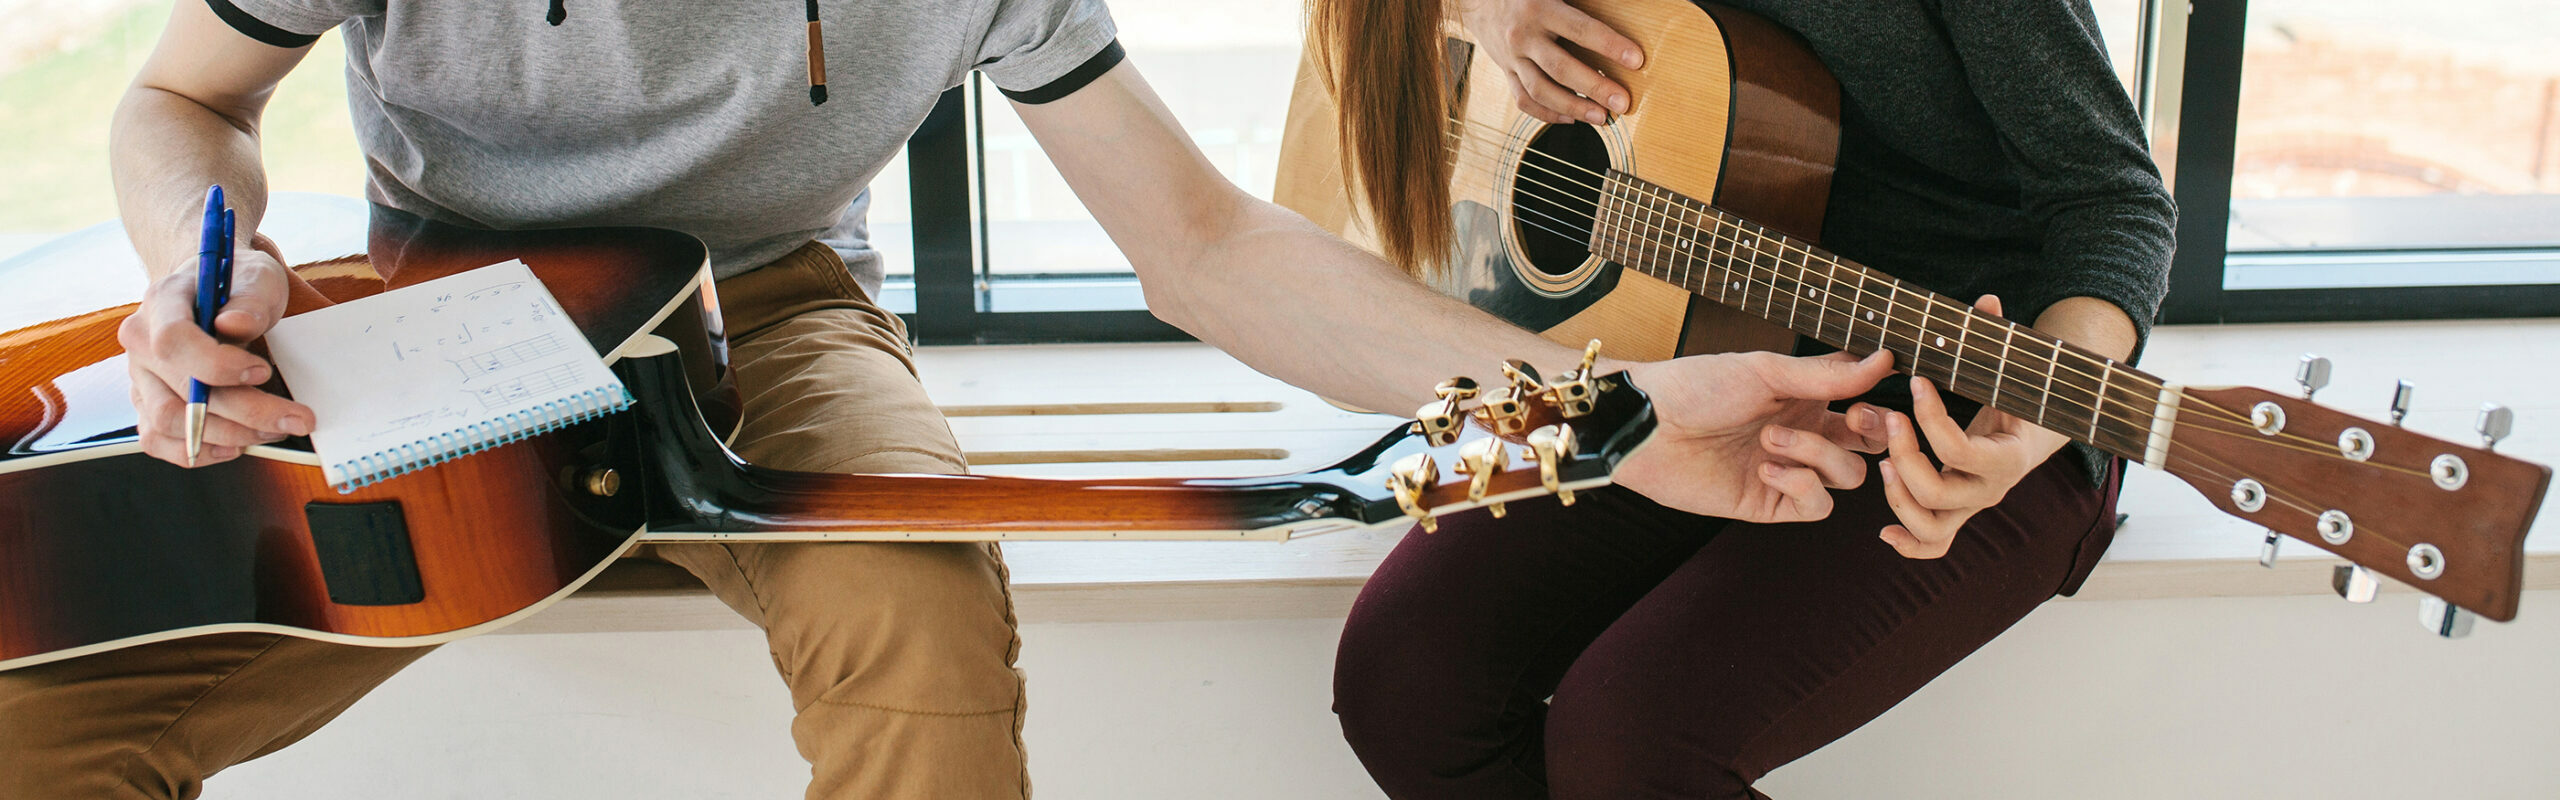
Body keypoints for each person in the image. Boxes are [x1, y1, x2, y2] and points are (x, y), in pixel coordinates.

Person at [0, 0, 1906, 797]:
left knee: (916, 613)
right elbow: (183, 101)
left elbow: (1206, 244)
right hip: (427, 310)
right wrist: (200, 265)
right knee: (48, 714)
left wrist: (1617, 405)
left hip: (773, 309)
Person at [1324, 0, 2174, 797]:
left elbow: (2113, 202)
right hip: (1670, 354)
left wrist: (2025, 435)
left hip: (1964, 409)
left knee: (1628, 743)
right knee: (1403, 681)